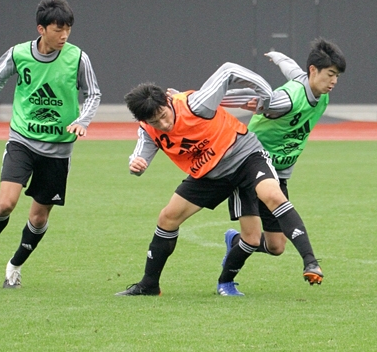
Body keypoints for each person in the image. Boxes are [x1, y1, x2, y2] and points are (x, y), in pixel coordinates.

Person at [116, 63, 323, 297]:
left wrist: (266, 93)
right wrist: (136, 165)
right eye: (155, 122)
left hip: (244, 156)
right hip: (210, 174)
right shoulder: (148, 129)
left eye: (163, 116)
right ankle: (149, 284)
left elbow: (228, 70)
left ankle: (310, 262)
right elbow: (139, 158)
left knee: (272, 198)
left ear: (167, 101)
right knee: (168, 217)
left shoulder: (195, 105)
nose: (163, 125)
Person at [0, 0, 101, 289]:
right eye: (57, 29)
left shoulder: (78, 58)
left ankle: (14, 267)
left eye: (68, 29)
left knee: (38, 218)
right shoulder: (19, 54)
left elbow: (94, 94)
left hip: (58, 149)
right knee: (5, 204)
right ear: (41, 29)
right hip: (22, 140)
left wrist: (82, 121)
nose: (64, 35)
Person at [217, 38, 346, 295]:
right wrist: (195, 100)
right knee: (252, 239)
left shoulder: (318, 92)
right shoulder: (286, 100)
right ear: (314, 71)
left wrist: (278, 57)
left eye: (337, 76)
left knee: (276, 246)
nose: (333, 81)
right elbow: (251, 99)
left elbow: (294, 70)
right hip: (248, 166)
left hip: (279, 173)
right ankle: (225, 283)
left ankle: (234, 240)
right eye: (330, 74)